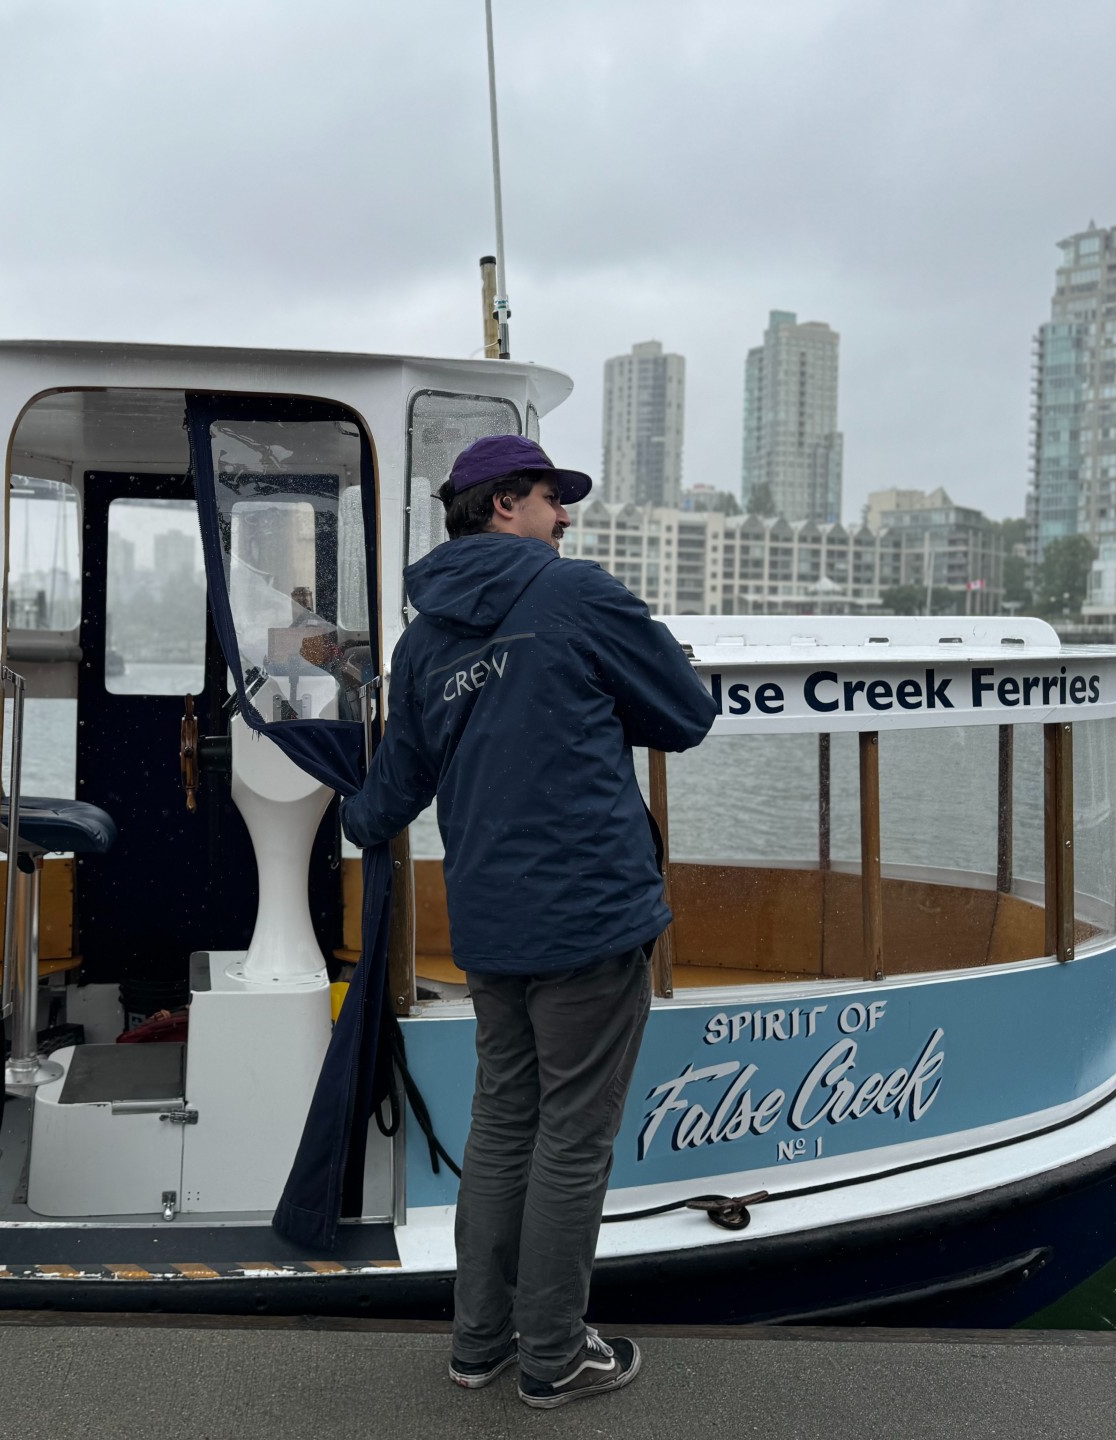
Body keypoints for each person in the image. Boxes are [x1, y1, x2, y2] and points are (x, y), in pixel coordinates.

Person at [339, 434, 715, 1409]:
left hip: (491, 926)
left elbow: (392, 791)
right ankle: (552, 1358)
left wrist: (347, 819)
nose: (566, 517)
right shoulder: (576, 595)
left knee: (504, 1128)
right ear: (505, 503)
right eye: (554, 499)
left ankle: (480, 1346)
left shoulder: (422, 642)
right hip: (590, 918)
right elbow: (685, 714)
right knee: (573, 1144)